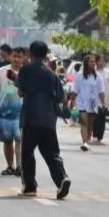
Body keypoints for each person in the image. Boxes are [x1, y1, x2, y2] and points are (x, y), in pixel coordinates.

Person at [16, 40, 71, 200]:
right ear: (46, 54)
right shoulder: (51, 74)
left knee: (26, 153)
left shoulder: (25, 70)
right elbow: (61, 96)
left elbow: (20, 91)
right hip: (48, 120)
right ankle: (62, 179)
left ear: (30, 54)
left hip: (30, 118)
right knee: (52, 154)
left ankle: (30, 187)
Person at [0, 46, 26, 176]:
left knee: (19, 139)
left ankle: (19, 166)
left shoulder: (26, 73)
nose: (16, 59)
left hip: (21, 114)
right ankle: (10, 166)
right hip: (4, 114)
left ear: (24, 58)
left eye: (19, 57)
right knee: (7, 141)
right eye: (15, 56)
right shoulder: (2, 71)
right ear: (10, 57)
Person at [74, 54, 106, 152]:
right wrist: (71, 101)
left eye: (93, 62)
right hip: (82, 102)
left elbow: (101, 91)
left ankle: (87, 139)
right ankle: (84, 142)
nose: (93, 63)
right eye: (90, 61)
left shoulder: (98, 76)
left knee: (90, 124)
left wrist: (103, 103)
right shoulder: (79, 76)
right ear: (86, 63)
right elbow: (75, 90)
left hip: (93, 103)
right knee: (84, 121)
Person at [93, 54, 109, 145]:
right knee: (95, 118)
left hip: (105, 98)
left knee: (102, 118)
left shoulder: (108, 72)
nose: (101, 63)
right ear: (96, 62)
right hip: (95, 98)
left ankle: (100, 137)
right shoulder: (93, 72)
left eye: (103, 61)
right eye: (99, 61)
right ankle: (95, 135)